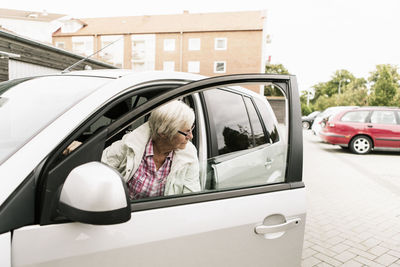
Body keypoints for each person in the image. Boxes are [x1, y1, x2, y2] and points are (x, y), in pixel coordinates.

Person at [101, 100, 200, 199]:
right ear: (163, 133)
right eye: (186, 132)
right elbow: (100, 169)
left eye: (191, 129)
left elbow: (191, 197)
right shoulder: (131, 144)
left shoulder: (189, 156)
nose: (191, 136)